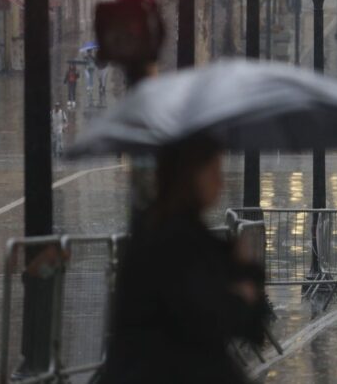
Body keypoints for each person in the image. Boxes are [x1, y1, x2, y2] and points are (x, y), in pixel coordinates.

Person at [99, 139, 268, 384]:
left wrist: (245, 273)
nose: (220, 182)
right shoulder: (170, 239)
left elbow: (252, 329)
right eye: (213, 172)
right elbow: (208, 317)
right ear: (189, 175)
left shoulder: (190, 236)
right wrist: (244, 291)